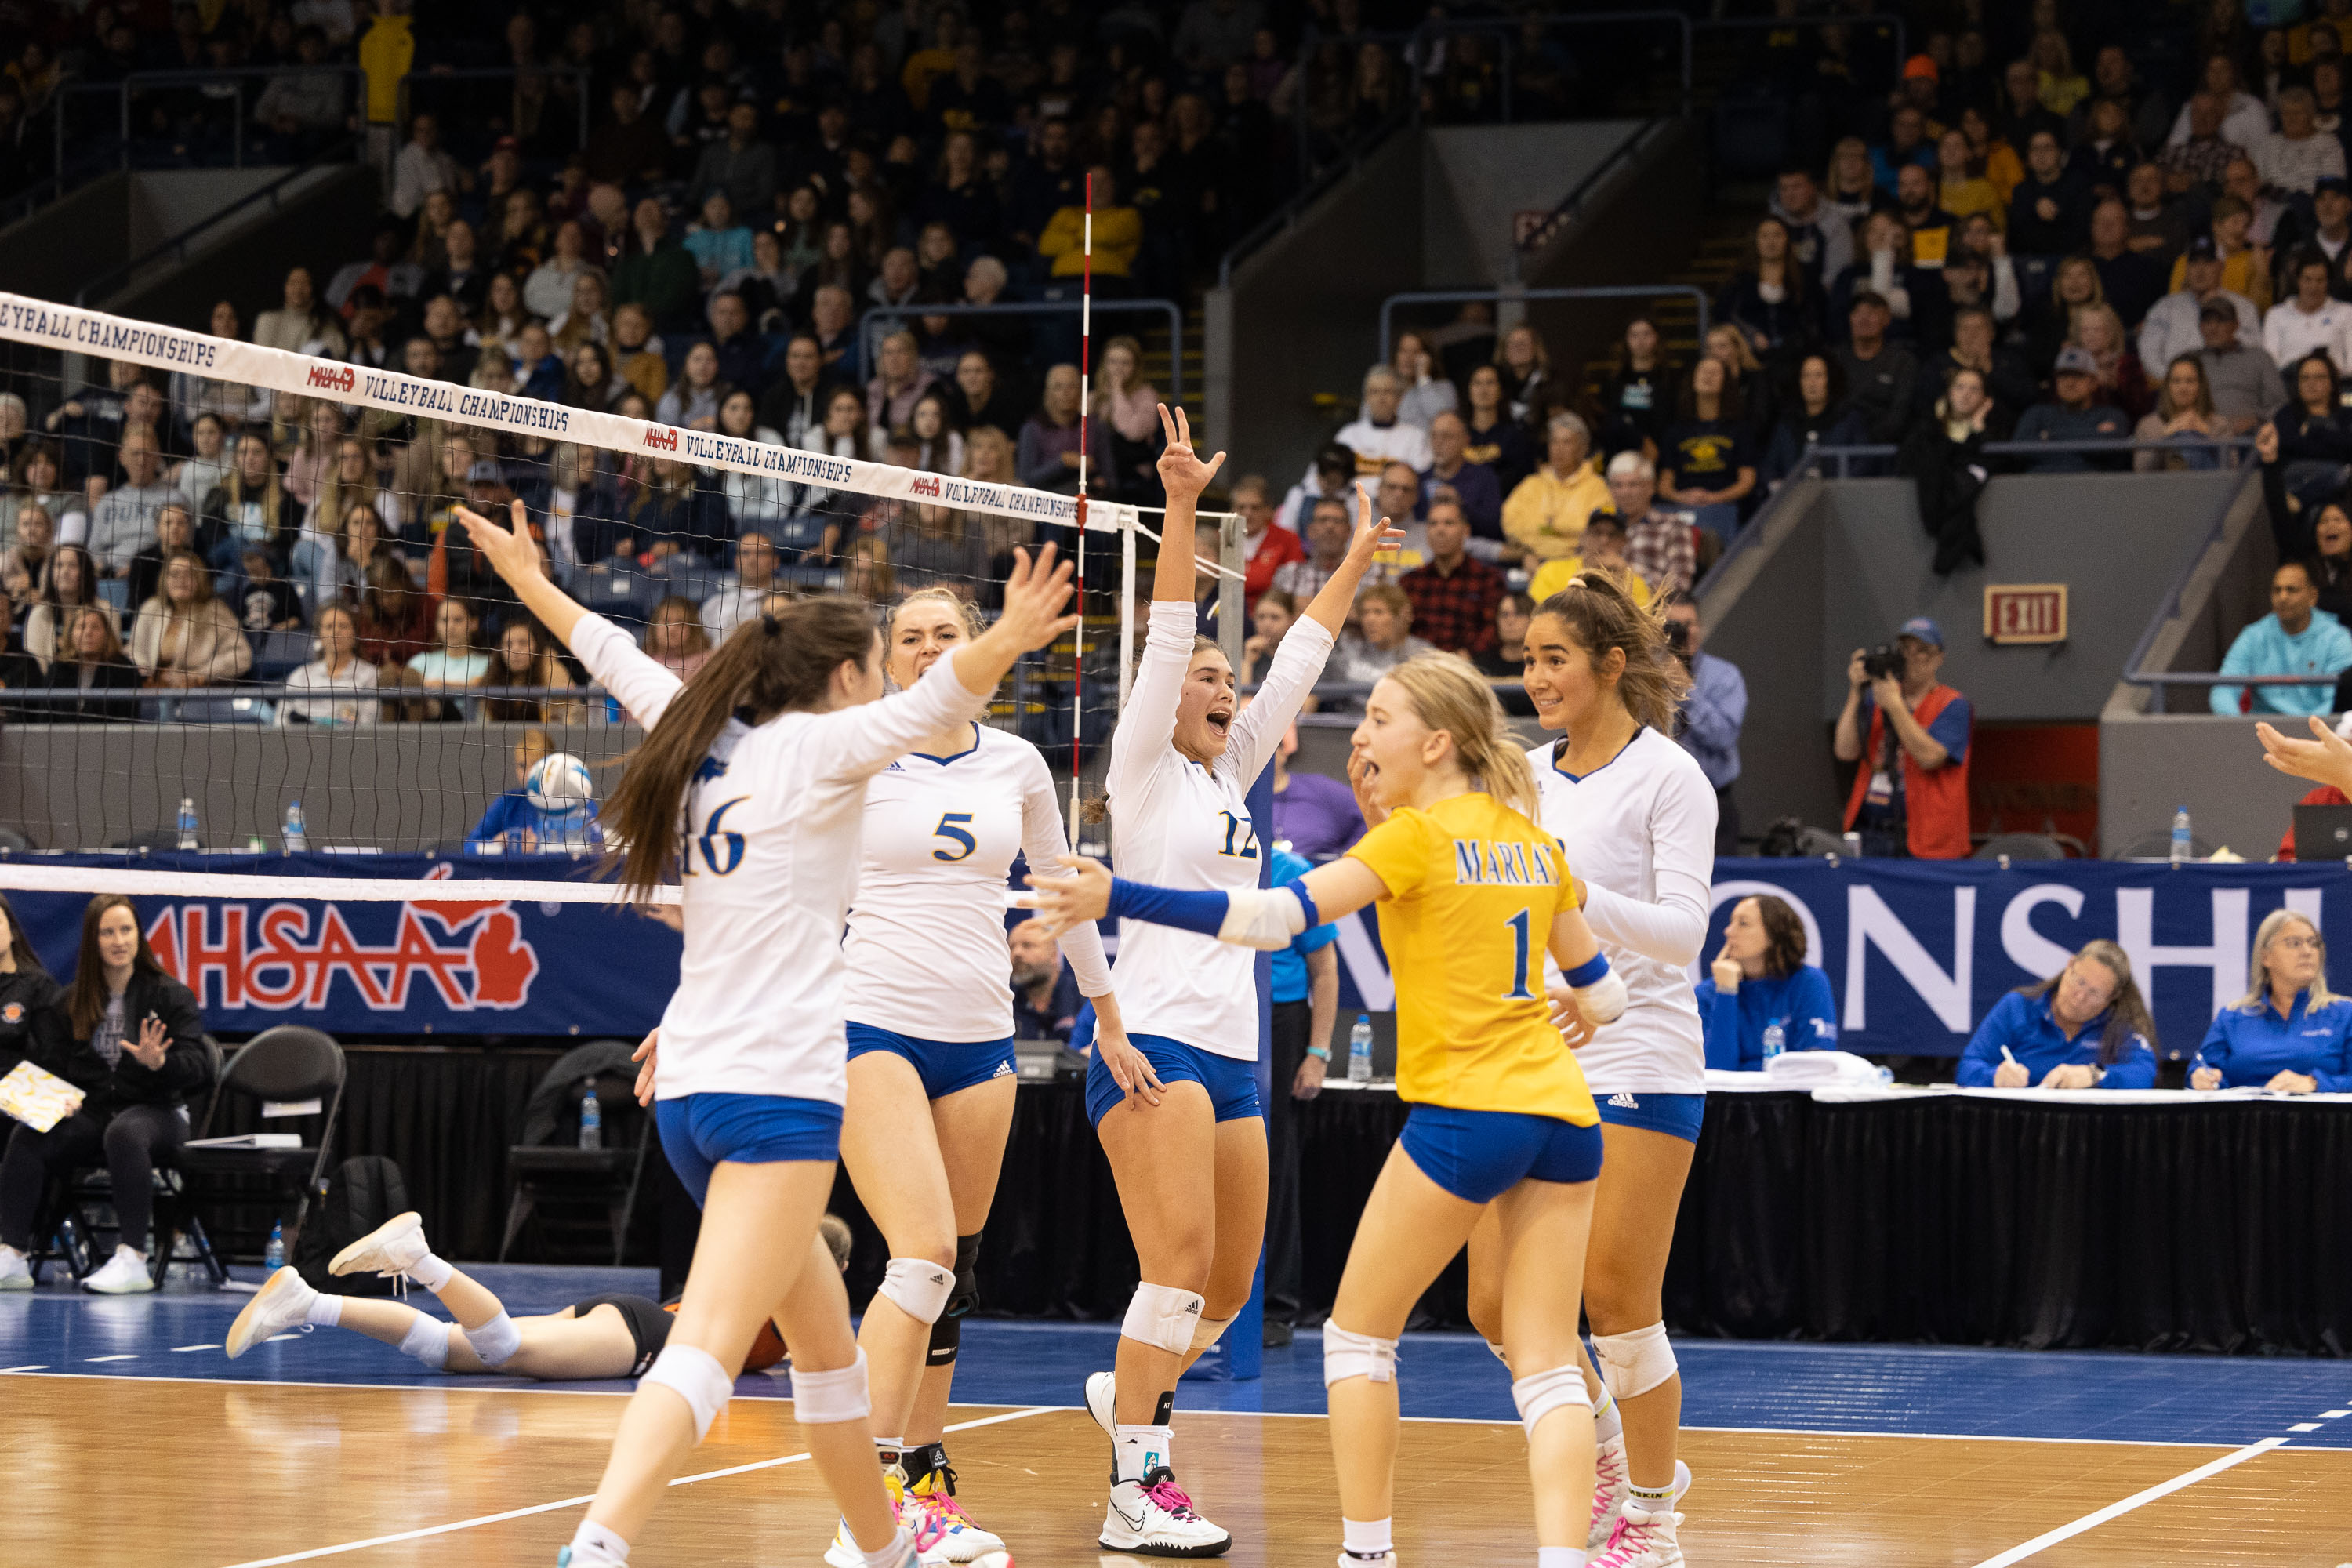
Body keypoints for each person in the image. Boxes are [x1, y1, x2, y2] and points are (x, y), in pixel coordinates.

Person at [448, 491, 1076, 1568]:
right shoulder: (824, 752)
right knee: (706, 1348)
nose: (892, 680)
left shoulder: (701, 741)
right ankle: (598, 1544)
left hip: (691, 1083)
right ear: (843, 679)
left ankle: (881, 1544)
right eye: (879, 663)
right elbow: (938, 704)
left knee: (830, 1361)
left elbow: (609, 651)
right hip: (778, 1089)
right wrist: (1008, 637)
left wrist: (526, 580)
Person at [1028, 648, 1625, 1568]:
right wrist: (1576, 1003)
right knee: (1545, 1361)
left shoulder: (1412, 840)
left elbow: (1276, 919)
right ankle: (1565, 1554)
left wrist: (1121, 893)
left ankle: (1367, 1554)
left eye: (1379, 718)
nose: (1362, 733)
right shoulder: (1533, 843)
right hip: (1566, 1113)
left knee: (1354, 1337)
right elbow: (1608, 994)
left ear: (1434, 740)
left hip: (1469, 1113)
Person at [1063, 409, 1398, 1556]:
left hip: (1237, 1052)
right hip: (1152, 1039)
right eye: (1211, 675)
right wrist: (1183, 507)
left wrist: (1351, 558)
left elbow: (1298, 659)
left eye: (1228, 677)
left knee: (1223, 1291)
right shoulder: (1147, 769)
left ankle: (1132, 1399)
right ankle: (1136, 1486)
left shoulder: (1230, 777)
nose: (1224, 683)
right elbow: (1166, 631)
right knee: (1174, 1273)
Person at [827, 584, 1127, 1565]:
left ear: (980, 646)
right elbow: (782, 893)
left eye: (943, 634)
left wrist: (1108, 1012)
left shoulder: (1018, 761)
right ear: (886, 658)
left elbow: (1067, 889)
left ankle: (926, 1488)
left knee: (951, 1270)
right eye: (908, 638)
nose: (924, 650)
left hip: (978, 1036)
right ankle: (865, 1512)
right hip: (870, 1020)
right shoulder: (858, 747)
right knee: (915, 1253)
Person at [1454, 572, 1711, 1563]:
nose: (1533, 675)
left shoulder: (1670, 776)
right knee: (1493, 1303)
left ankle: (1651, 1521)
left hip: (1642, 1050)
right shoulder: (1526, 772)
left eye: (1554, 656)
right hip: (1529, 1055)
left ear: (1611, 663)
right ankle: (1615, 1447)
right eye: (1525, 658)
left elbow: (1685, 931)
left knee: (1613, 1300)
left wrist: (1573, 889)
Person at [0, 895, 209, 1294]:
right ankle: (12, 1255)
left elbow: (199, 1067)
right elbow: (50, 1064)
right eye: (107, 932)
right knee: (28, 1135)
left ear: (139, 936)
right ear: (93, 941)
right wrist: (58, 1097)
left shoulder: (169, 995)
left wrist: (159, 1064)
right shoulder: (70, 1002)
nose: (118, 940)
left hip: (158, 1111)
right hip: (94, 1112)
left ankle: (133, 1258)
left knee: (126, 1133)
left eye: (126, 930)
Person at [1258, 844, 1339, 1350]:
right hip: (1221, 1005)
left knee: (1276, 1160)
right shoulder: (1201, 852)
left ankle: (1276, 1306)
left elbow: (1325, 970)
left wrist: (1318, 1052)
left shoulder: (1291, 871)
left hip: (1282, 1020)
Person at [1836, 617, 1973, 859]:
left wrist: (1895, 706)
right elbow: (1845, 750)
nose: (1912, 658)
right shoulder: (1876, 700)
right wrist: (1856, 691)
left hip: (1926, 841)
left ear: (1939, 659)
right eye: (1905, 650)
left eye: (1923, 651)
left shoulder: (1953, 705)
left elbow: (1930, 758)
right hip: (1871, 832)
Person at [1957, 941, 2160, 1089]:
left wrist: (2095, 1075)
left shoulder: (2119, 1021)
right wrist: (1995, 1077)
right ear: (2069, 966)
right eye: (2079, 981)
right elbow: (1967, 1068)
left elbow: (2144, 1074)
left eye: (2094, 993)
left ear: (2112, 997)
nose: (2079, 997)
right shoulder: (2018, 1006)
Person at [2190, 910, 2352, 1092]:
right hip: (2246, 1118)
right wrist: (2203, 1078)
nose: (2307, 951)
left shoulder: (2345, 1013)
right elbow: (2202, 1069)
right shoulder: (2232, 1017)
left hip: (2323, 1119)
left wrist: (2315, 1084)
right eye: (2294, 943)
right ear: (2266, 957)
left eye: (2313, 943)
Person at [1698, 895, 1836, 1071]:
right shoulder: (1707, 993)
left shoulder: (1809, 982)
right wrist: (1725, 992)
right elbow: (1715, 1072)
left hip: (1792, 1097)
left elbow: (1818, 1065)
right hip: (1725, 1098)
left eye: (1743, 924)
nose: (1728, 931)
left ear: (1775, 934)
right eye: (1731, 922)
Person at [2212, 561, 2352, 716]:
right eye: (2277, 590)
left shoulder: (2337, 639)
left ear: (2312, 596)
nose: (2283, 597)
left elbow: (2337, 702)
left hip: (2317, 732)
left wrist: (2306, 730)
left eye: (2291, 590)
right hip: (2263, 732)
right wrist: (2238, 727)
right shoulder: (2253, 636)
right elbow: (2223, 690)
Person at [1664, 597, 1744, 858]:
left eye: (1689, 624)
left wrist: (1687, 689)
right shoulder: (1646, 677)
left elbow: (1723, 736)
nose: (1684, 633)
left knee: (1718, 881)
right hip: (1661, 801)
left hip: (1714, 802)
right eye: (1674, 625)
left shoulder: (1725, 676)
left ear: (1700, 628)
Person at [1398, 497, 1504, 656]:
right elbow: (1400, 631)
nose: (1440, 530)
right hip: (1418, 668)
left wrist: (1466, 656)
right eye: (1433, 524)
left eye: (1449, 523)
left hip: (1471, 667)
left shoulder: (1488, 579)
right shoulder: (1409, 582)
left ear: (1465, 531)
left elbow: (1493, 630)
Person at [130, 550, 252, 688]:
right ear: (165, 579)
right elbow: (135, 651)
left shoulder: (216, 612)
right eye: (174, 574)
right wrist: (144, 674)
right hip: (152, 689)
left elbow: (241, 656)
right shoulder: (151, 608)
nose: (181, 580)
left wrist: (202, 674)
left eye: (189, 574)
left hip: (199, 692)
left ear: (199, 579)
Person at [1501, 412, 1610, 562]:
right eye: (1554, 442)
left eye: (1567, 442)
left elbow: (1595, 533)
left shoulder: (1598, 488)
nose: (1559, 449)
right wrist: (1534, 550)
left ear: (1583, 449)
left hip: (1576, 563)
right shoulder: (1531, 483)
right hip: (1529, 559)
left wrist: (1546, 532)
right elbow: (1511, 524)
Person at [2012, 346, 2132, 470]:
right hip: (2040, 485)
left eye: (2078, 376)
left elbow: (2108, 450)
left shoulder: (2111, 415)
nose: (2070, 383)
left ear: (2094, 383)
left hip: (2095, 486)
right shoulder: (2037, 414)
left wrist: (2050, 436)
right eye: (2063, 376)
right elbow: (2020, 451)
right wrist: (2090, 439)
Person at [1269, 718, 1364, 862]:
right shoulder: (1235, 796)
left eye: (1268, 748)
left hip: (1320, 879)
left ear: (1282, 753)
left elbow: (1367, 813)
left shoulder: (1321, 790)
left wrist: (1349, 860)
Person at [278, 603, 380, 726]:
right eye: (329, 627)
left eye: (343, 626)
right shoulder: (300, 676)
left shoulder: (371, 675)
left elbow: (368, 724)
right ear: (320, 635)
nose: (336, 631)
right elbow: (281, 720)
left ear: (355, 633)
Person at [1008, 917, 1083, 1042]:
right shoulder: (1005, 1002)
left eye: (1027, 945)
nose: (1017, 953)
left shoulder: (1084, 998)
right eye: (1011, 948)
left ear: (1054, 955)